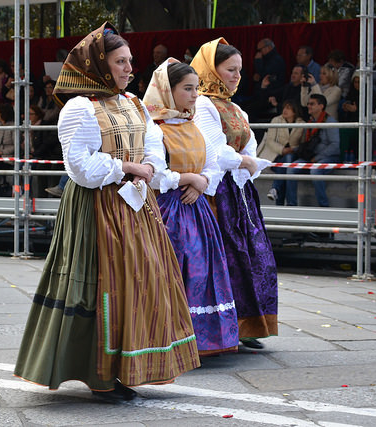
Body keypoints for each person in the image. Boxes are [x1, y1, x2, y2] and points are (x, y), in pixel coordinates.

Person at [14, 22, 199, 401]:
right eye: (120, 62)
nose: (129, 68)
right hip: (97, 207)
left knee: (142, 281)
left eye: (130, 61)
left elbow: (153, 149)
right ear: (99, 65)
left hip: (136, 206)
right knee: (104, 285)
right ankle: (99, 373)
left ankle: (126, 367)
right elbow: (78, 167)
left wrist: (154, 169)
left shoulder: (132, 103)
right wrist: (128, 168)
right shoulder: (80, 108)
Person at [143, 59, 238, 355]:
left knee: (202, 271)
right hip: (165, 209)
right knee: (170, 271)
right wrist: (189, 178)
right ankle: (170, 338)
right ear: (167, 91)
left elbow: (213, 163)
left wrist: (202, 181)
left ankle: (204, 339)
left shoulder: (192, 123)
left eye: (196, 88)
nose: (195, 94)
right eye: (188, 88)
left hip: (195, 209)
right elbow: (155, 173)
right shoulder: (153, 127)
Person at [191, 38, 277, 350]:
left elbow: (251, 141)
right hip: (217, 193)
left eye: (239, 70)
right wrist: (245, 161)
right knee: (224, 260)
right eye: (230, 69)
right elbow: (216, 150)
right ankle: (224, 328)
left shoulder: (235, 107)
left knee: (250, 257)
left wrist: (246, 162)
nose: (237, 76)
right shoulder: (202, 104)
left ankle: (248, 325)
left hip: (240, 190)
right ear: (211, 70)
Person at [285, 94, 340, 207]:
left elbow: (335, 146)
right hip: (311, 157)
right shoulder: (309, 123)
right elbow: (307, 144)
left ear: (321, 106)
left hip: (328, 158)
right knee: (291, 168)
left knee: (315, 171)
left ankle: (323, 206)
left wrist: (318, 158)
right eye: (308, 103)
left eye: (312, 104)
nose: (308, 106)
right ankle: (291, 205)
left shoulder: (330, 122)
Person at [257, 99, 305, 205]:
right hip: (275, 156)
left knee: (287, 165)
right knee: (287, 165)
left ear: (295, 111)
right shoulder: (276, 120)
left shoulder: (302, 123)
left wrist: (293, 149)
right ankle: (290, 204)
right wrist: (283, 150)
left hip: (292, 156)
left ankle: (275, 192)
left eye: (288, 108)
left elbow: (303, 143)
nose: (285, 110)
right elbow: (270, 140)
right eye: (284, 107)